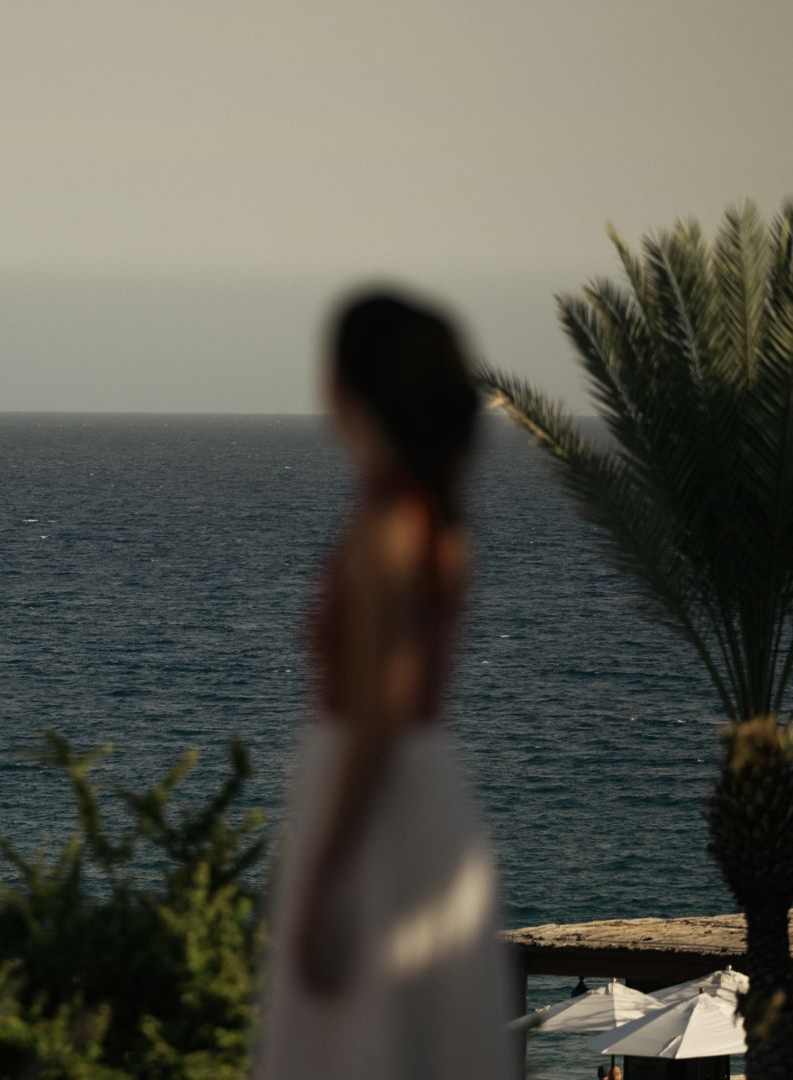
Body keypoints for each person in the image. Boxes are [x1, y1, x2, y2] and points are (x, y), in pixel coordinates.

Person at [257, 290, 515, 1077]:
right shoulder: (439, 521)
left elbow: (379, 713)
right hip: (427, 798)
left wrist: (326, 876)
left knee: (355, 1038)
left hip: (373, 802)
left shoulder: (385, 533)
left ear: (345, 392)